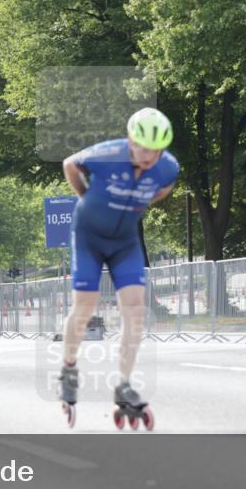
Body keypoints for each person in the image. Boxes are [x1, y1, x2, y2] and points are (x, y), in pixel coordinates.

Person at [57, 107, 179, 429]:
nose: (150, 155)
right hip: (89, 238)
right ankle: (68, 367)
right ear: (130, 140)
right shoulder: (108, 153)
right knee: (85, 308)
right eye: (143, 148)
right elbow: (70, 164)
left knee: (136, 310)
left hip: (125, 242)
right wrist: (86, 196)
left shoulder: (167, 169)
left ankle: (124, 383)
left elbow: (163, 190)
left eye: (157, 150)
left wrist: (138, 207)